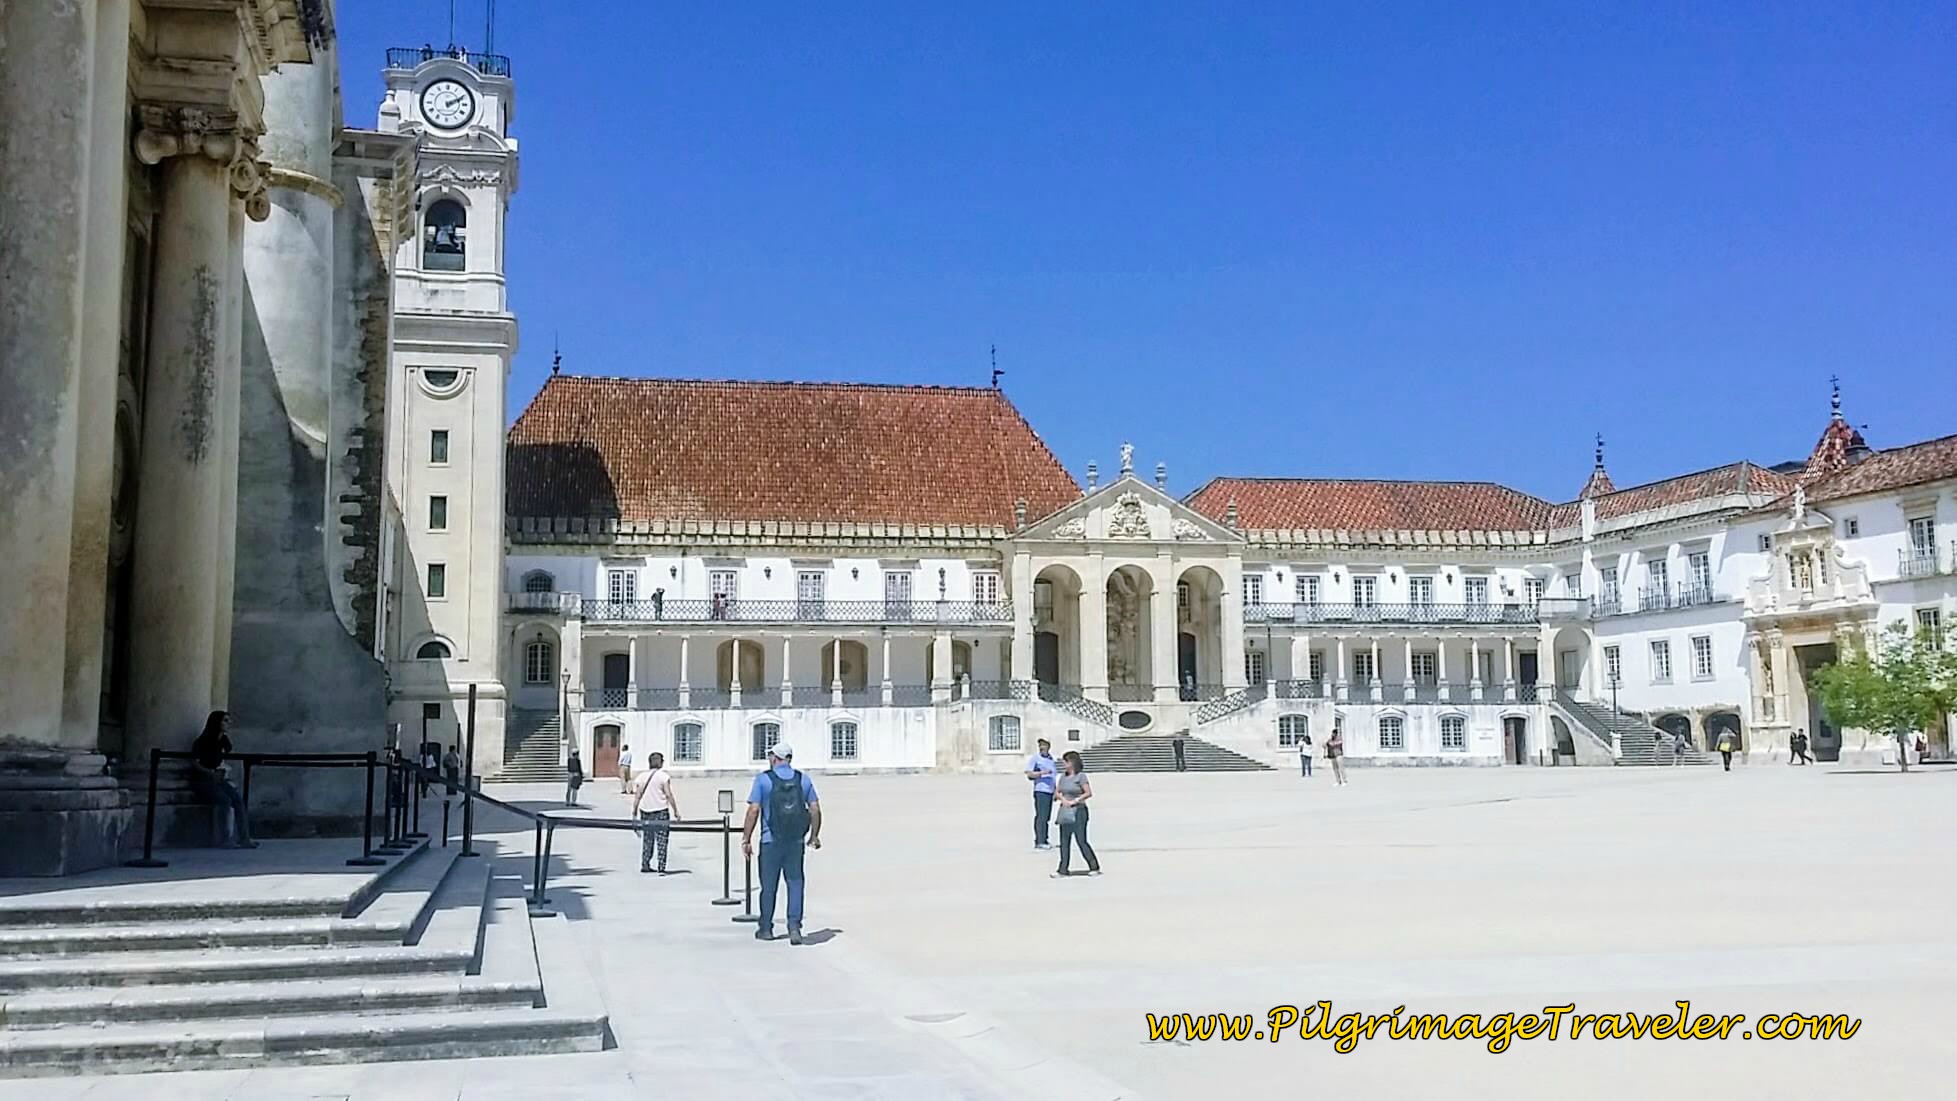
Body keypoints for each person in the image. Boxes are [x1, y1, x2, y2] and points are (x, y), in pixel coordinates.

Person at [742, 742, 821, 945]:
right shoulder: (803, 780)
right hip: (795, 841)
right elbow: (814, 809)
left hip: (770, 841)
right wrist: (814, 835)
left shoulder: (763, 780)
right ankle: (794, 926)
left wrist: (746, 838)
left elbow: (753, 810)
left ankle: (766, 927)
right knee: (795, 883)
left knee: (768, 885)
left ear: (775, 758)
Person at [189, 710, 255, 848]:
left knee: (237, 799)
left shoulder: (223, 741)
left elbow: (225, 757)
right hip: (203, 779)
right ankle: (225, 839)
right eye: (225, 720)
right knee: (225, 800)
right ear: (216, 722)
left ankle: (244, 838)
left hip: (218, 778)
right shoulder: (202, 741)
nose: (228, 723)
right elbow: (194, 762)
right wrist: (210, 772)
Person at [1051, 751, 1100, 877]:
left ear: (1072, 763)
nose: (1063, 764)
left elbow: (1088, 792)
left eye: (1065, 761)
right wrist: (1063, 800)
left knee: (1081, 840)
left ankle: (1093, 866)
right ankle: (1063, 869)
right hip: (1065, 811)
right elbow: (1057, 792)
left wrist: (1076, 800)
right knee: (1064, 841)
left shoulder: (1081, 776)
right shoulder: (1063, 777)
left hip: (1079, 811)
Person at [633, 751, 679, 874]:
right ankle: (661, 867)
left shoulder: (641, 777)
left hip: (646, 810)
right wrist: (675, 810)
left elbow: (637, 796)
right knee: (662, 839)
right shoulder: (664, 776)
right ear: (660, 763)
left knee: (648, 839)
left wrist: (634, 812)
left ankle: (645, 864)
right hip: (661, 811)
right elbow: (668, 794)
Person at [1025, 739, 1057, 849]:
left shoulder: (1051, 759)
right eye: (1040, 745)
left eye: (1044, 745)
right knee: (1041, 816)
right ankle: (1039, 840)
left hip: (1050, 790)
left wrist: (1056, 791)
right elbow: (1029, 774)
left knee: (1047, 817)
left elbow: (1053, 776)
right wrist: (1042, 773)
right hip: (1040, 790)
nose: (1042, 747)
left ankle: (1045, 839)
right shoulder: (1035, 759)